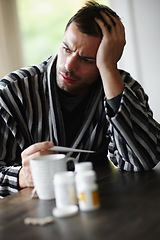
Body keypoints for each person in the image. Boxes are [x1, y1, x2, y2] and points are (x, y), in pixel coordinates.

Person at [0, 1, 159, 198]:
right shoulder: (11, 91)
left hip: (99, 207)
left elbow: (142, 160)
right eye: (66, 48)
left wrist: (109, 70)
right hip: (25, 217)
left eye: (87, 60)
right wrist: (22, 177)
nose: (69, 65)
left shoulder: (123, 88)